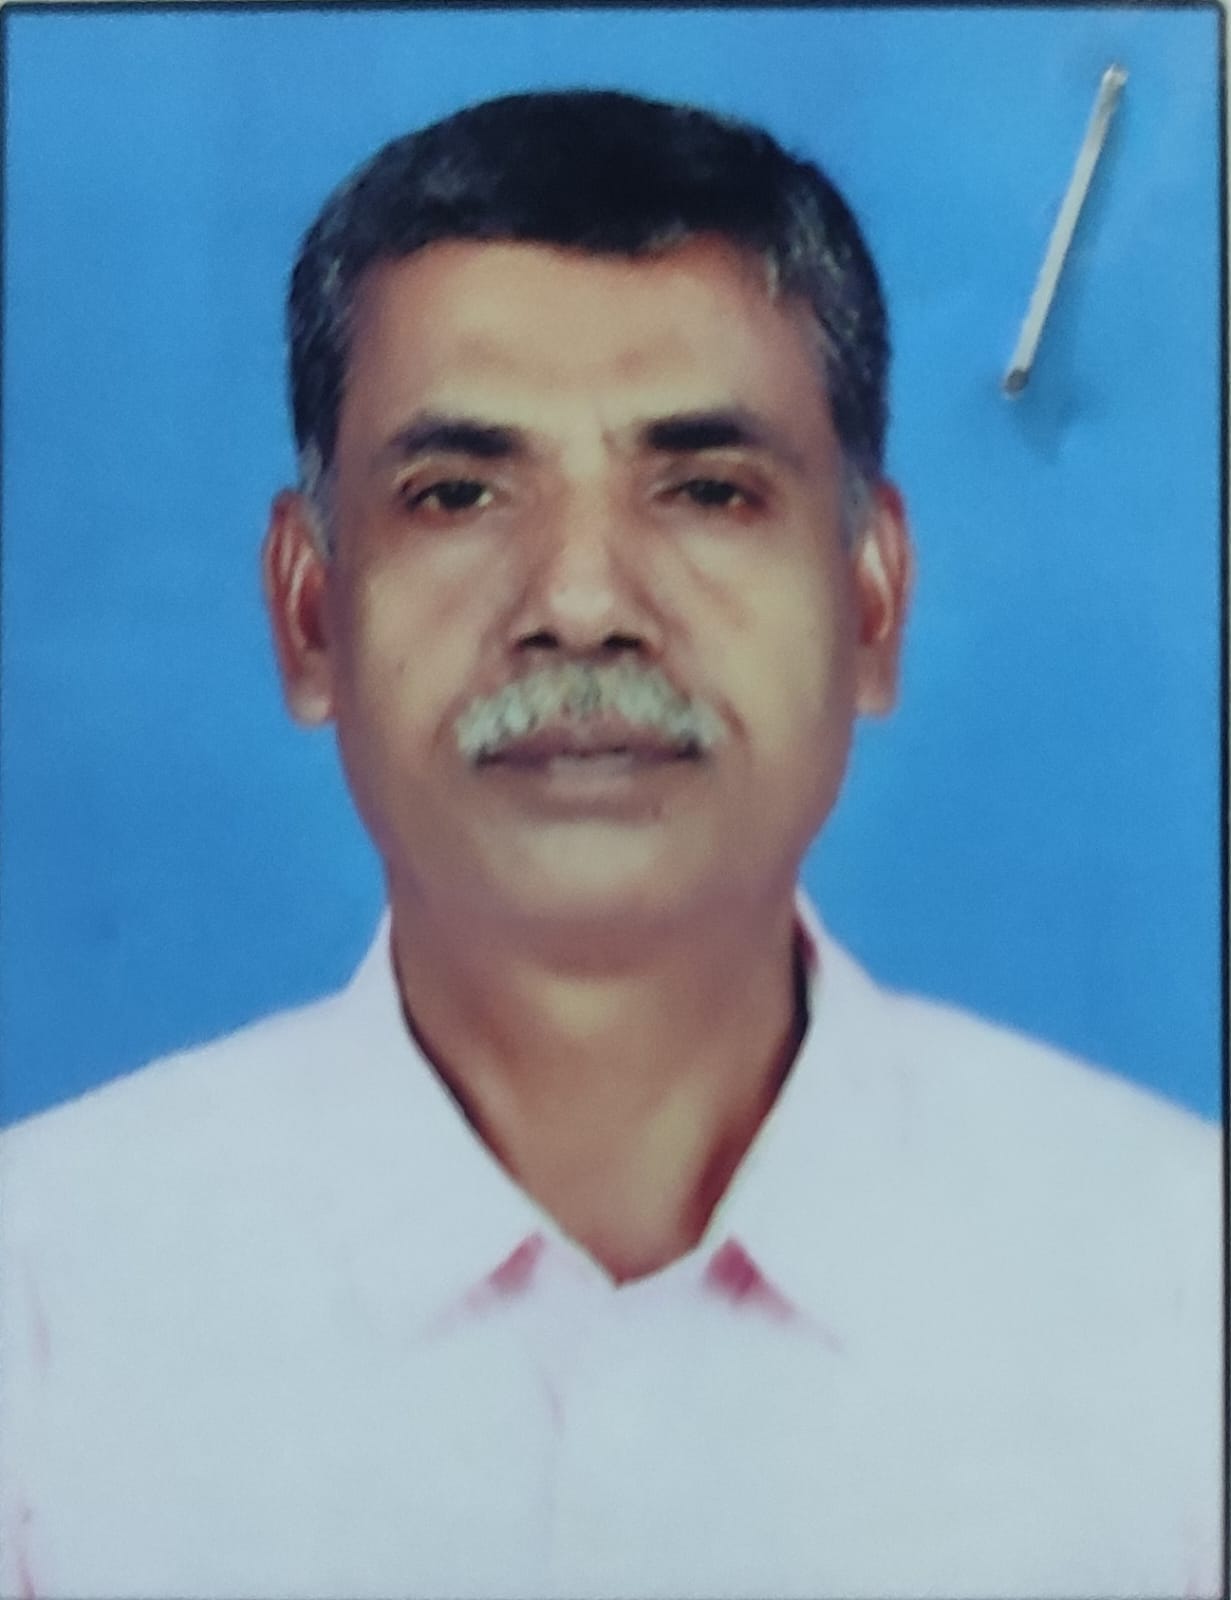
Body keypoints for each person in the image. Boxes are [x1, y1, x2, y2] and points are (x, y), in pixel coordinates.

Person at [0, 89, 1221, 1600]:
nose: (581, 603)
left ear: (872, 601)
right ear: (310, 612)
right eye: (458, 494)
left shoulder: (1179, 1289)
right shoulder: (46, 1304)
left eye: (707, 490)